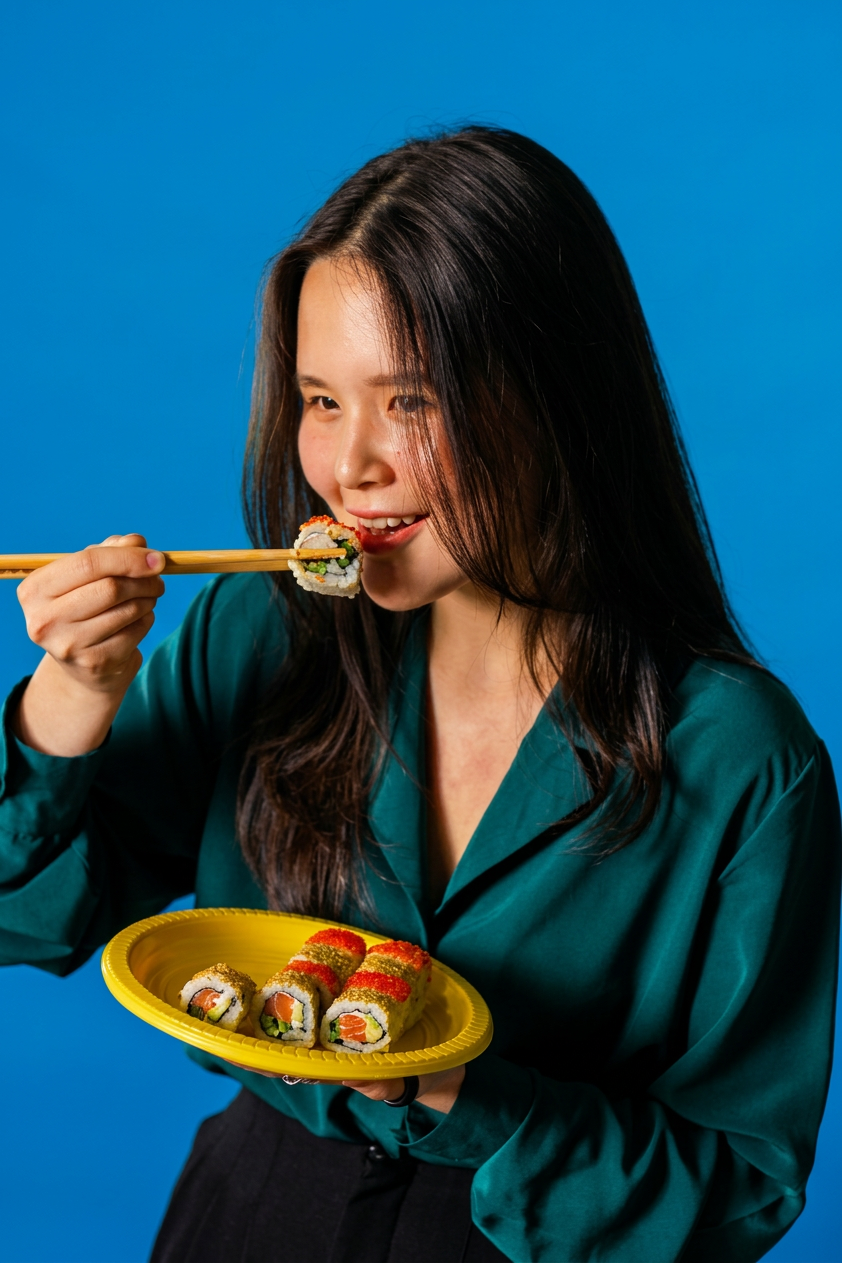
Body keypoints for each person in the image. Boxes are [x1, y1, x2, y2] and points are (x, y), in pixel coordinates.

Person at [1, 126, 839, 1263]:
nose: (351, 469)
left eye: (411, 401)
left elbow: (736, 1185)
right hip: (247, 1216)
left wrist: (450, 1083)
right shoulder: (263, 632)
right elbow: (19, 921)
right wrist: (72, 697)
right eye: (319, 400)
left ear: (556, 399)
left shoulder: (741, 757)